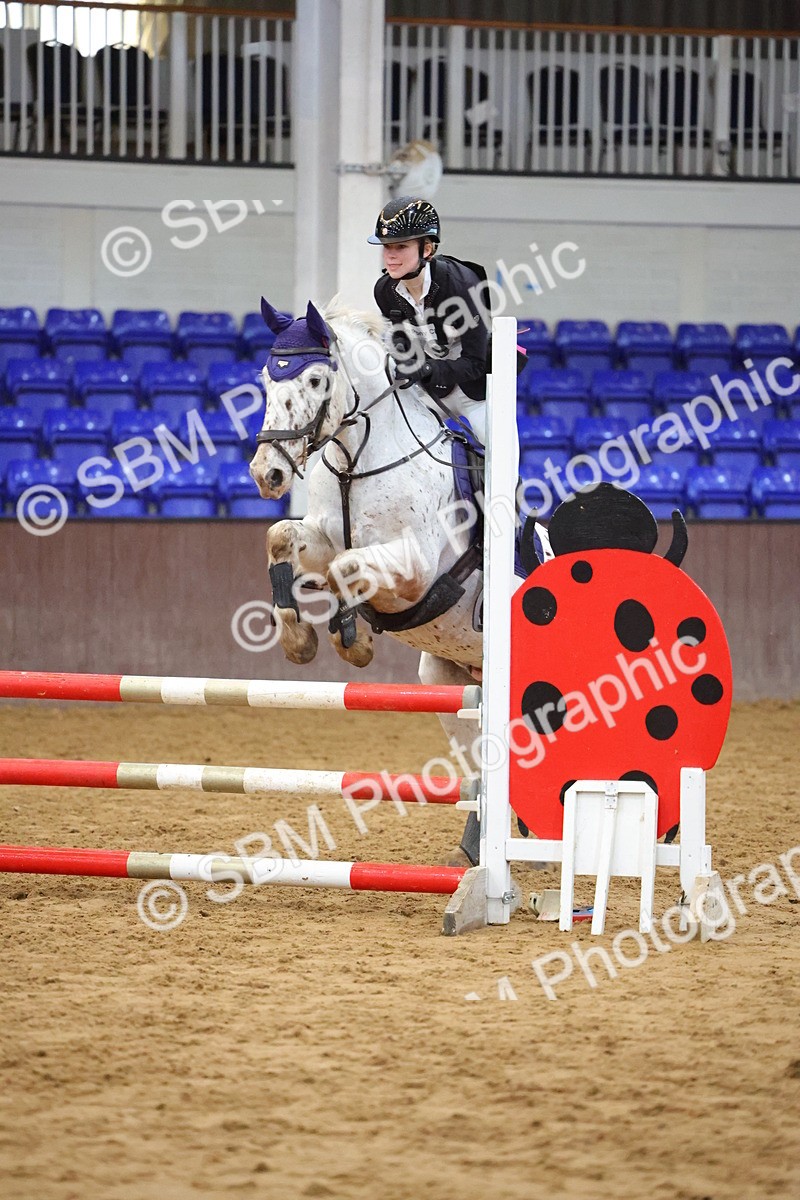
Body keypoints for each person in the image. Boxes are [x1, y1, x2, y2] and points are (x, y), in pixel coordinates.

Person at [368, 195, 490, 444]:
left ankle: (509, 484)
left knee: (496, 443)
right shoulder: (384, 291)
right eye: (386, 247)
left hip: (475, 389)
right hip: (431, 390)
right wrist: (403, 360)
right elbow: (401, 341)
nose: (390, 256)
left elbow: (476, 362)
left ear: (427, 249)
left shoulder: (462, 285)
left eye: (401, 247)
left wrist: (425, 368)